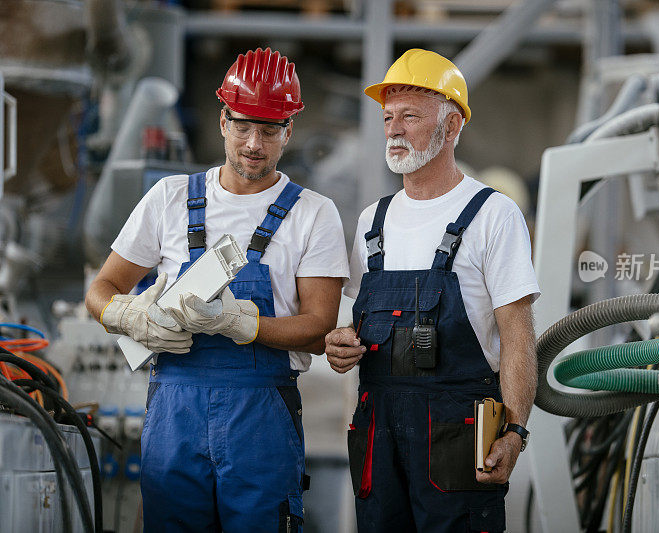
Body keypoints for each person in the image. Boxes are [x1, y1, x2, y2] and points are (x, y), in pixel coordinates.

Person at [85, 47, 349, 531]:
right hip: (174, 414)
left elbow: (318, 327)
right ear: (223, 119)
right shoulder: (170, 198)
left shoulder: (313, 213)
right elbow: (101, 288)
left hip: (261, 420)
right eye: (243, 125)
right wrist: (126, 315)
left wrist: (241, 323)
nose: (254, 143)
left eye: (269, 130)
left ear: (289, 131)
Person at [324, 48, 540, 533]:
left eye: (410, 116)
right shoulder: (370, 222)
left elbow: (518, 335)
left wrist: (515, 431)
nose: (394, 130)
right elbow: (354, 325)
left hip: (457, 439)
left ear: (453, 126)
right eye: (388, 117)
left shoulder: (492, 215)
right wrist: (338, 345)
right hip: (378, 434)